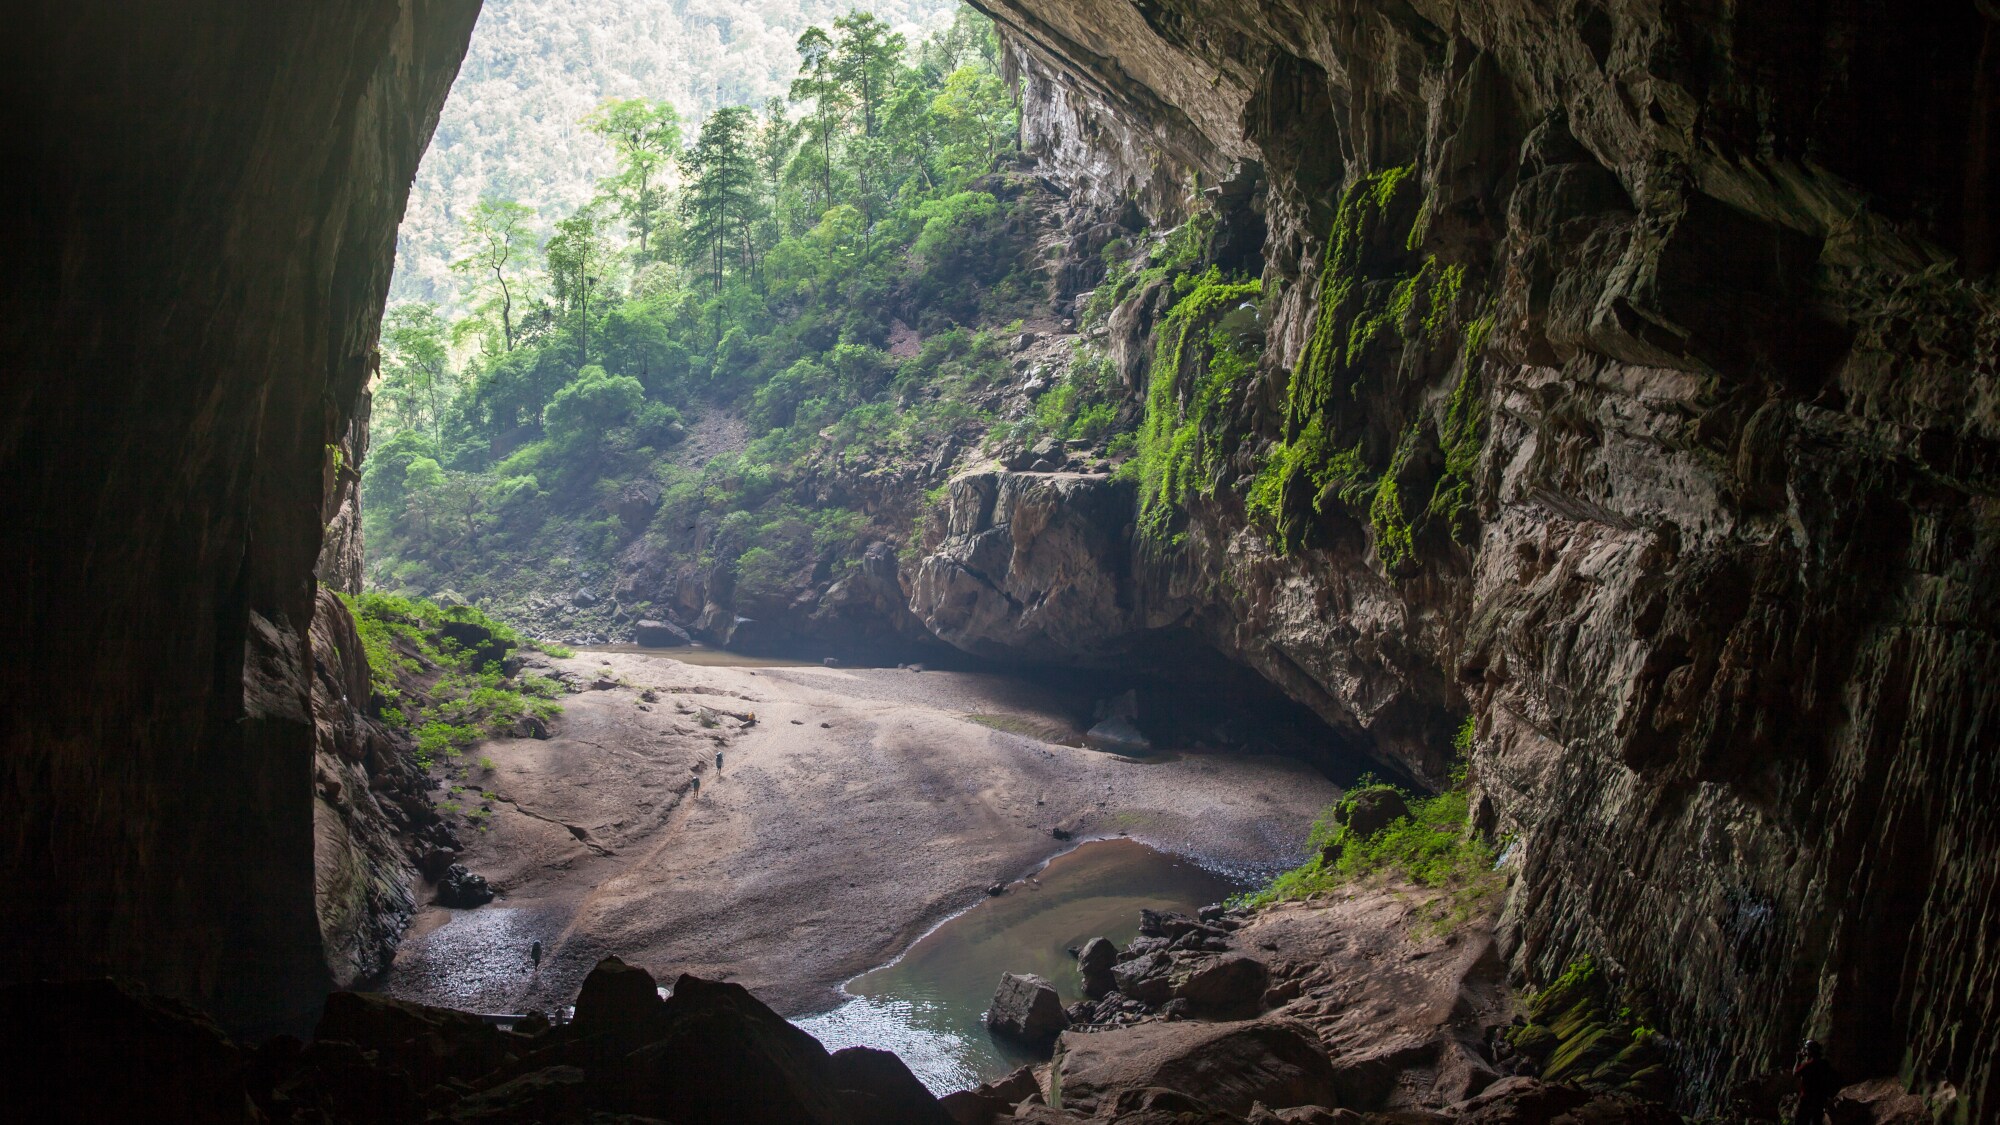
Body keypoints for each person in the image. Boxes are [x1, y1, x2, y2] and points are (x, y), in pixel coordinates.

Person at [1794, 1039, 1836, 1124]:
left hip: (1806, 1099)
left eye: (1807, 1050)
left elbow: (1795, 1073)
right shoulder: (1825, 1063)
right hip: (1820, 1099)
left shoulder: (1808, 1065)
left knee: (1801, 1121)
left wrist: (1798, 1060)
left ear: (1810, 1051)